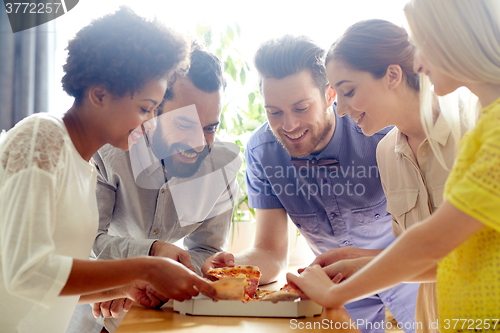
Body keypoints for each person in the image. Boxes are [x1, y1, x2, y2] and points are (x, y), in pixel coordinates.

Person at [287, 1, 500, 331]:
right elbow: (441, 258)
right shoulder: (387, 152)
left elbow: (432, 244)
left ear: (392, 76)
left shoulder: (480, 129)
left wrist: (336, 293)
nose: (417, 60)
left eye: (348, 91)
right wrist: (359, 262)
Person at [0, 8, 216, 333]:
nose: (151, 123)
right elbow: (25, 273)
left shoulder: (82, 166)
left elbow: (50, 285)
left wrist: (125, 286)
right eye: (145, 109)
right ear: (99, 94)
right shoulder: (41, 137)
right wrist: (146, 266)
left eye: (156, 110)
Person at [235, 35, 419, 333]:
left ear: (330, 95)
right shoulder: (261, 152)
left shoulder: (381, 131)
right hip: (342, 303)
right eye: (274, 112)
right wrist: (234, 265)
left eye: (301, 107)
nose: (289, 125)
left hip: (415, 284)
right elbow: (270, 251)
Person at [66, 44, 241, 333]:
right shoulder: (106, 149)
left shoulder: (221, 166)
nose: (199, 143)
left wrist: (164, 276)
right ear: (153, 111)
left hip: (160, 318)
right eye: (185, 124)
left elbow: (206, 250)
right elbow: (85, 243)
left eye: (210, 127)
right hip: (87, 314)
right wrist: (152, 255)